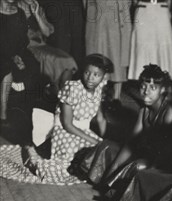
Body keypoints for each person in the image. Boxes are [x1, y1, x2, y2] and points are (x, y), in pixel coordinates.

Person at [0, 53, 112, 184]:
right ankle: (34, 160)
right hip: (65, 132)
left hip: (84, 132)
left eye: (96, 75)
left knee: (98, 158)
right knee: (66, 168)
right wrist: (94, 140)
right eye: (87, 72)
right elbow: (67, 124)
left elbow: (101, 119)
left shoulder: (98, 90)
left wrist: (103, 142)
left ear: (103, 76)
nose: (90, 78)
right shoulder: (73, 89)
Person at [0, 0, 40, 124]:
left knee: (33, 64)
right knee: (6, 69)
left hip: (16, 52)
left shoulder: (19, 13)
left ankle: (28, 112)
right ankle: (3, 115)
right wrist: (12, 57)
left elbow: (22, 39)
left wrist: (18, 55)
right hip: (2, 53)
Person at [85, 0, 132, 101]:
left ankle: (116, 98)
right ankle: (97, 96)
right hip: (99, 20)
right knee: (98, 56)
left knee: (118, 60)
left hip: (118, 19)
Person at [128, 0, 172, 81]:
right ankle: (142, 80)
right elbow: (134, 2)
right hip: (143, 10)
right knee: (142, 46)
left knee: (163, 44)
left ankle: (164, 80)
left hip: (162, 10)